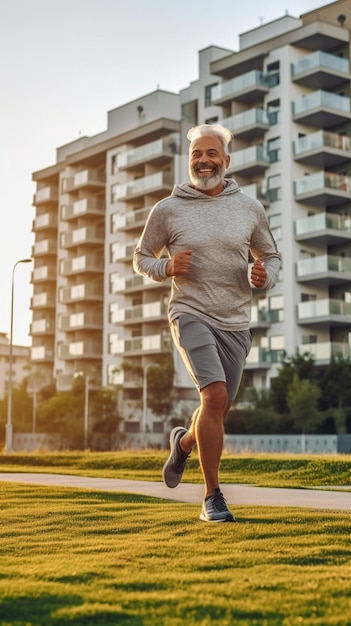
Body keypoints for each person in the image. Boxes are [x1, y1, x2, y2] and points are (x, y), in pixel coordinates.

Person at [133, 124, 281, 522]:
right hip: (190, 312)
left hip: (235, 321)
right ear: (190, 160)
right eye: (197, 154)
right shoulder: (167, 209)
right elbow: (141, 256)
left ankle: (182, 445)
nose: (203, 161)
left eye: (211, 154)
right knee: (214, 396)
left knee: (217, 408)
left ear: (226, 161)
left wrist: (266, 276)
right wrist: (165, 266)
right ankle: (212, 497)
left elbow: (272, 256)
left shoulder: (249, 208)